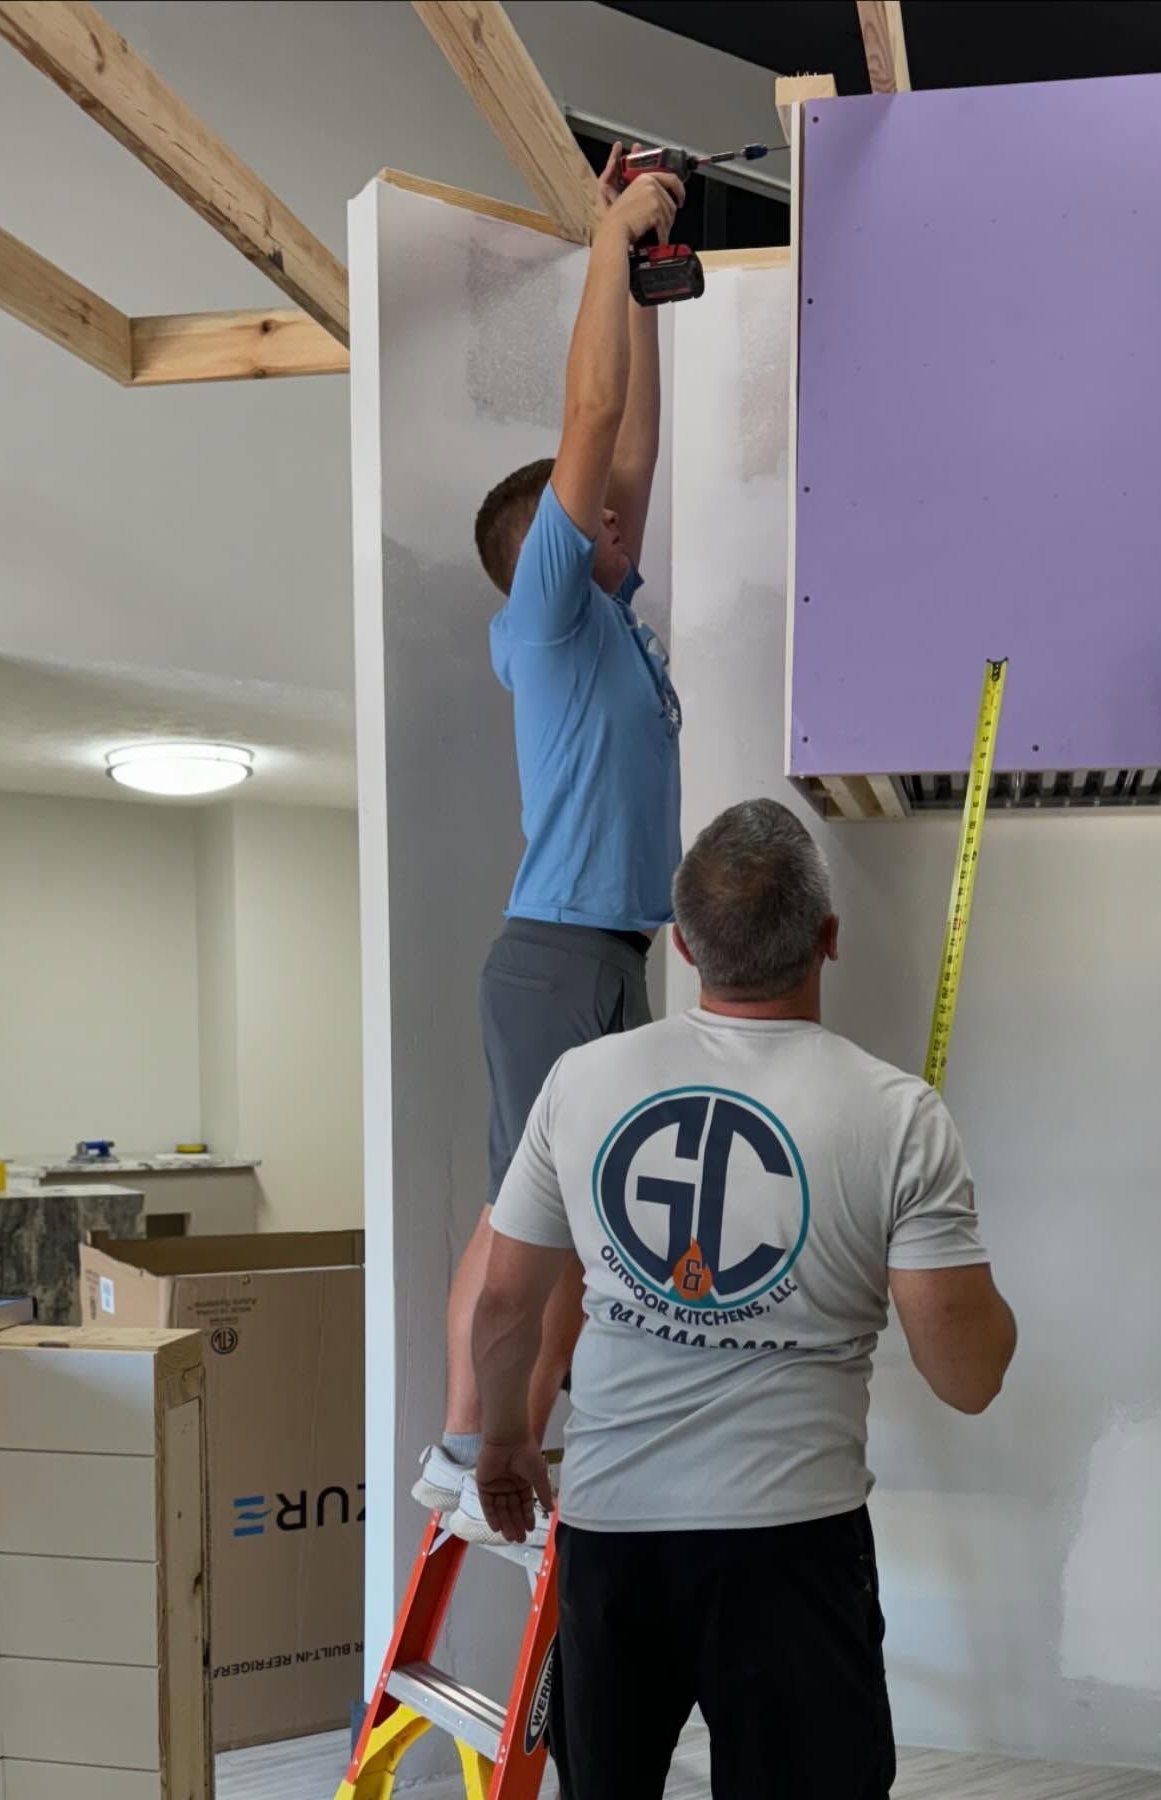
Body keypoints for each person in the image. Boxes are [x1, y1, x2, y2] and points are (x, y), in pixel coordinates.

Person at [472, 797, 1018, 1800]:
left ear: (681, 945)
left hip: (610, 1535)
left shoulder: (580, 1082)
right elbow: (969, 1378)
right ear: (829, 939)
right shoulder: (898, 1114)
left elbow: (506, 1302)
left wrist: (505, 1438)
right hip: (792, 1547)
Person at [411, 145, 688, 1542]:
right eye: (593, 519)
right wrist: (604, 241)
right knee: (541, 1223)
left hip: (602, 958)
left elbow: (629, 442)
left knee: (555, 1213)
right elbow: (591, 419)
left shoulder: (610, 635)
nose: (621, 508)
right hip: (560, 954)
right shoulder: (550, 620)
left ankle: (488, 1438)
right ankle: (472, 1450)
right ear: (556, 554)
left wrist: (641, 274)